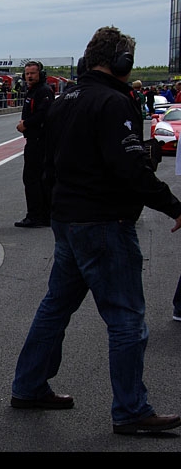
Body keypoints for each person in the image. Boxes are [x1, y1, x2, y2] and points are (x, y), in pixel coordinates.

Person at [11, 26, 181, 435]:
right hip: (104, 223)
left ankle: (29, 385)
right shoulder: (113, 101)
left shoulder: (63, 100)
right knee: (126, 317)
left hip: (68, 220)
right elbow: (129, 169)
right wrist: (173, 204)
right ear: (122, 62)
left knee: (55, 307)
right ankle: (131, 410)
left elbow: (48, 165)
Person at [14, 61, 54, 228]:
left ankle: (36, 216)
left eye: (32, 73)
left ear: (40, 74)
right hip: (34, 139)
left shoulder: (43, 91)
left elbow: (44, 115)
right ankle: (43, 215)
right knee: (37, 179)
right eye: (27, 73)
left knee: (32, 179)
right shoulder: (32, 90)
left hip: (39, 141)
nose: (29, 76)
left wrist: (26, 124)